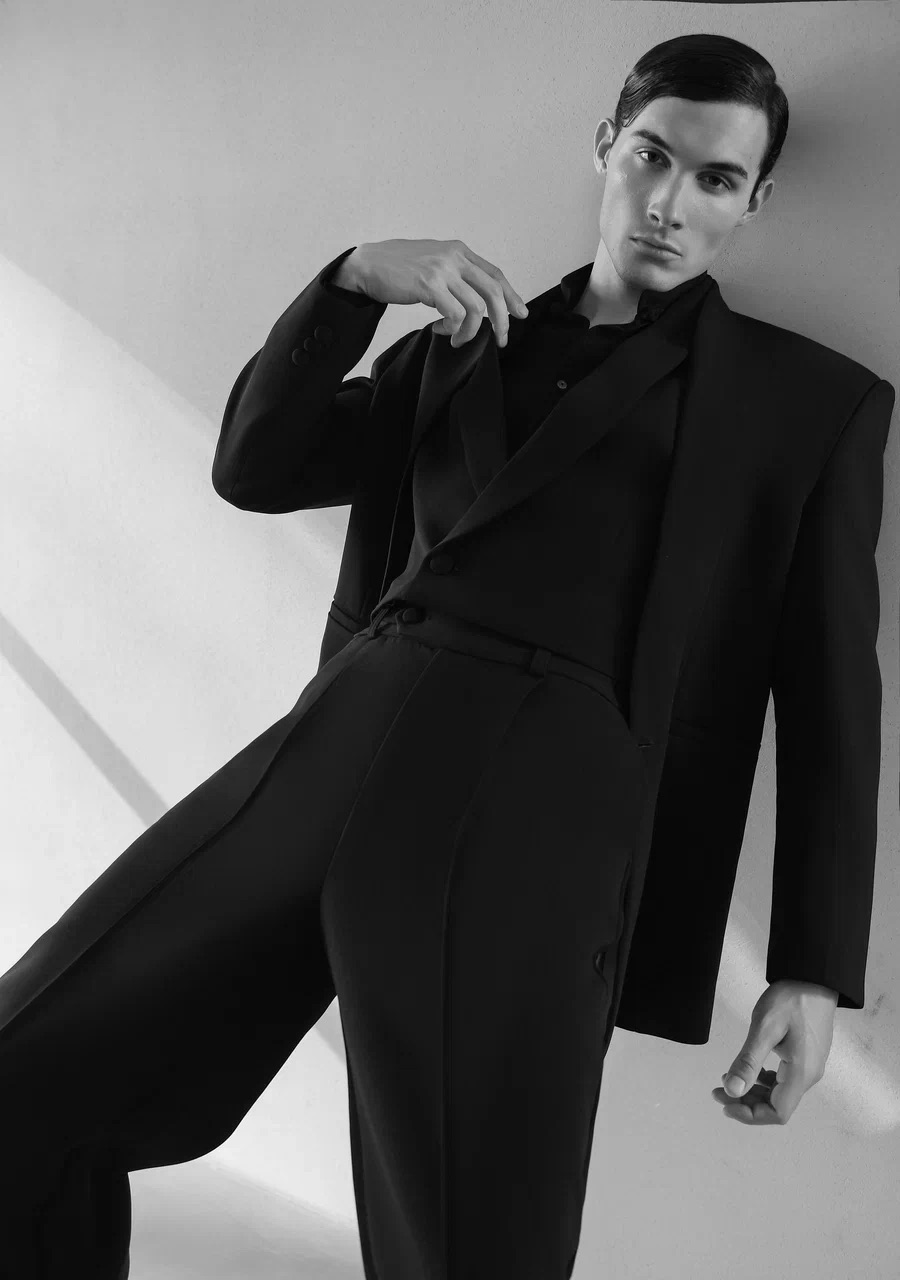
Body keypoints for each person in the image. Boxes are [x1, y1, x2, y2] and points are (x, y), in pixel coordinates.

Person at [0, 31, 893, 1280]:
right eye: (652, 157)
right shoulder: (461, 346)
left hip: (543, 794)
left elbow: (835, 692)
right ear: (606, 146)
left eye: (715, 179)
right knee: (29, 1071)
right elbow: (253, 468)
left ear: (755, 202)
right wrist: (354, 280)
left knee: (473, 1237)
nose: (671, 203)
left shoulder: (807, 407)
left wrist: (810, 969)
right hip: (343, 734)